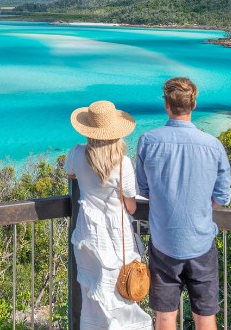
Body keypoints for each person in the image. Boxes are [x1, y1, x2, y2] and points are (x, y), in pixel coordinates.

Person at [136, 77, 231, 330]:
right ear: (194, 104)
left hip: (163, 242)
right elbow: (221, 197)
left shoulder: (148, 140)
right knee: (205, 316)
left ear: (166, 104)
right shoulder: (213, 145)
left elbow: (143, 189)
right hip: (200, 241)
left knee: (165, 315)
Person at [67, 100, 153, 330]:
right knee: (120, 295)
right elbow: (132, 207)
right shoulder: (123, 163)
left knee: (91, 296)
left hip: (87, 236)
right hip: (117, 238)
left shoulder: (75, 153)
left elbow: (71, 174)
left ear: (88, 129)